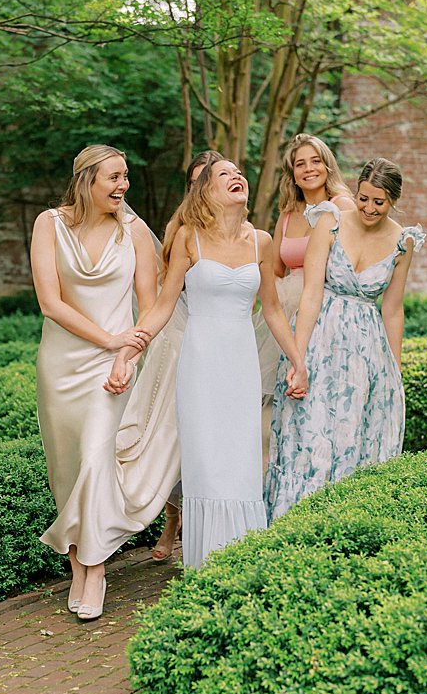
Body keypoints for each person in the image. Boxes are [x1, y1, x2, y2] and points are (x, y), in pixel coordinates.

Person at [111, 153, 304, 574]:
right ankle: (204, 567)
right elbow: (163, 306)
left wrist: (297, 361)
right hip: (199, 366)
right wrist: (130, 348)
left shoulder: (262, 241)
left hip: (241, 366)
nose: (237, 177)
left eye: (239, 173)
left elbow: (271, 310)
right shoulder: (188, 238)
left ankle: (242, 563)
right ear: (206, 190)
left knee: (241, 464)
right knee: (207, 466)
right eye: (225, 174)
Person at [26, 146, 174, 620]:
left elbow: (150, 306)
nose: (122, 186)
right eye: (113, 177)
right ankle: (77, 561)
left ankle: (95, 568)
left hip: (113, 368)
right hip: (60, 364)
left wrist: (126, 353)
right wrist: (109, 339)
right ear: (87, 179)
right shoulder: (49, 224)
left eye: (126, 177)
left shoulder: (133, 231)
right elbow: (51, 303)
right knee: (68, 471)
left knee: (94, 457)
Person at [266, 158, 423, 519]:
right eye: (363, 198)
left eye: (379, 202)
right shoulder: (330, 222)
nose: (369, 208)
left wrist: (393, 374)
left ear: (393, 200)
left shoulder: (404, 241)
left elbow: (393, 310)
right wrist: (298, 357)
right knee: (309, 435)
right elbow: (310, 293)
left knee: (353, 440)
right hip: (320, 341)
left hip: (366, 355)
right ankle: (293, 527)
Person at [256, 134, 357, 458]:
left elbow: (353, 262)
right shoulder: (287, 214)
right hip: (288, 316)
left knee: (321, 395)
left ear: (327, 165)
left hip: (326, 310)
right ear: (293, 174)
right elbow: (274, 270)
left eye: (315, 161)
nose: (309, 169)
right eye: (301, 164)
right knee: (289, 395)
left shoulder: (343, 205)